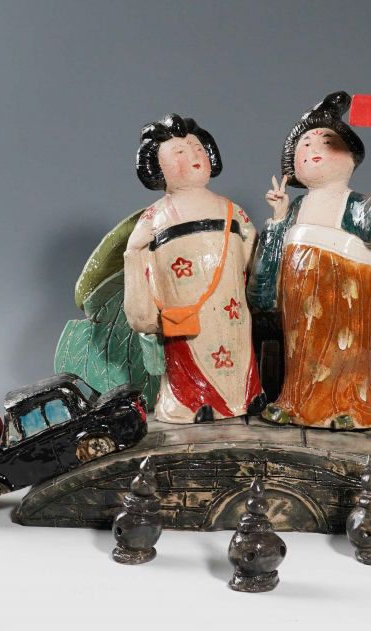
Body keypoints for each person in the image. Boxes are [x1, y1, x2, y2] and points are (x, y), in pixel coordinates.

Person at [247, 91, 371, 430]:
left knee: (345, 355)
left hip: (346, 305)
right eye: (305, 144)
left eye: (327, 142)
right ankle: (293, 401)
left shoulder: (354, 207)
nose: (314, 148)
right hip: (299, 311)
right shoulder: (295, 209)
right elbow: (266, 276)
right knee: (299, 355)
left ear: (351, 157)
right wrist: (278, 220)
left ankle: (348, 406)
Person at [124, 114, 265, 423]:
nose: (194, 155)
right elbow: (140, 259)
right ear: (157, 168)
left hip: (231, 308)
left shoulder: (231, 209)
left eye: (197, 148)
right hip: (186, 311)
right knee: (189, 352)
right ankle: (192, 401)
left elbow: (254, 257)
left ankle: (245, 396)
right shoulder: (155, 217)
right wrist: (134, 252)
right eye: (180, 152)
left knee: (238, 348)